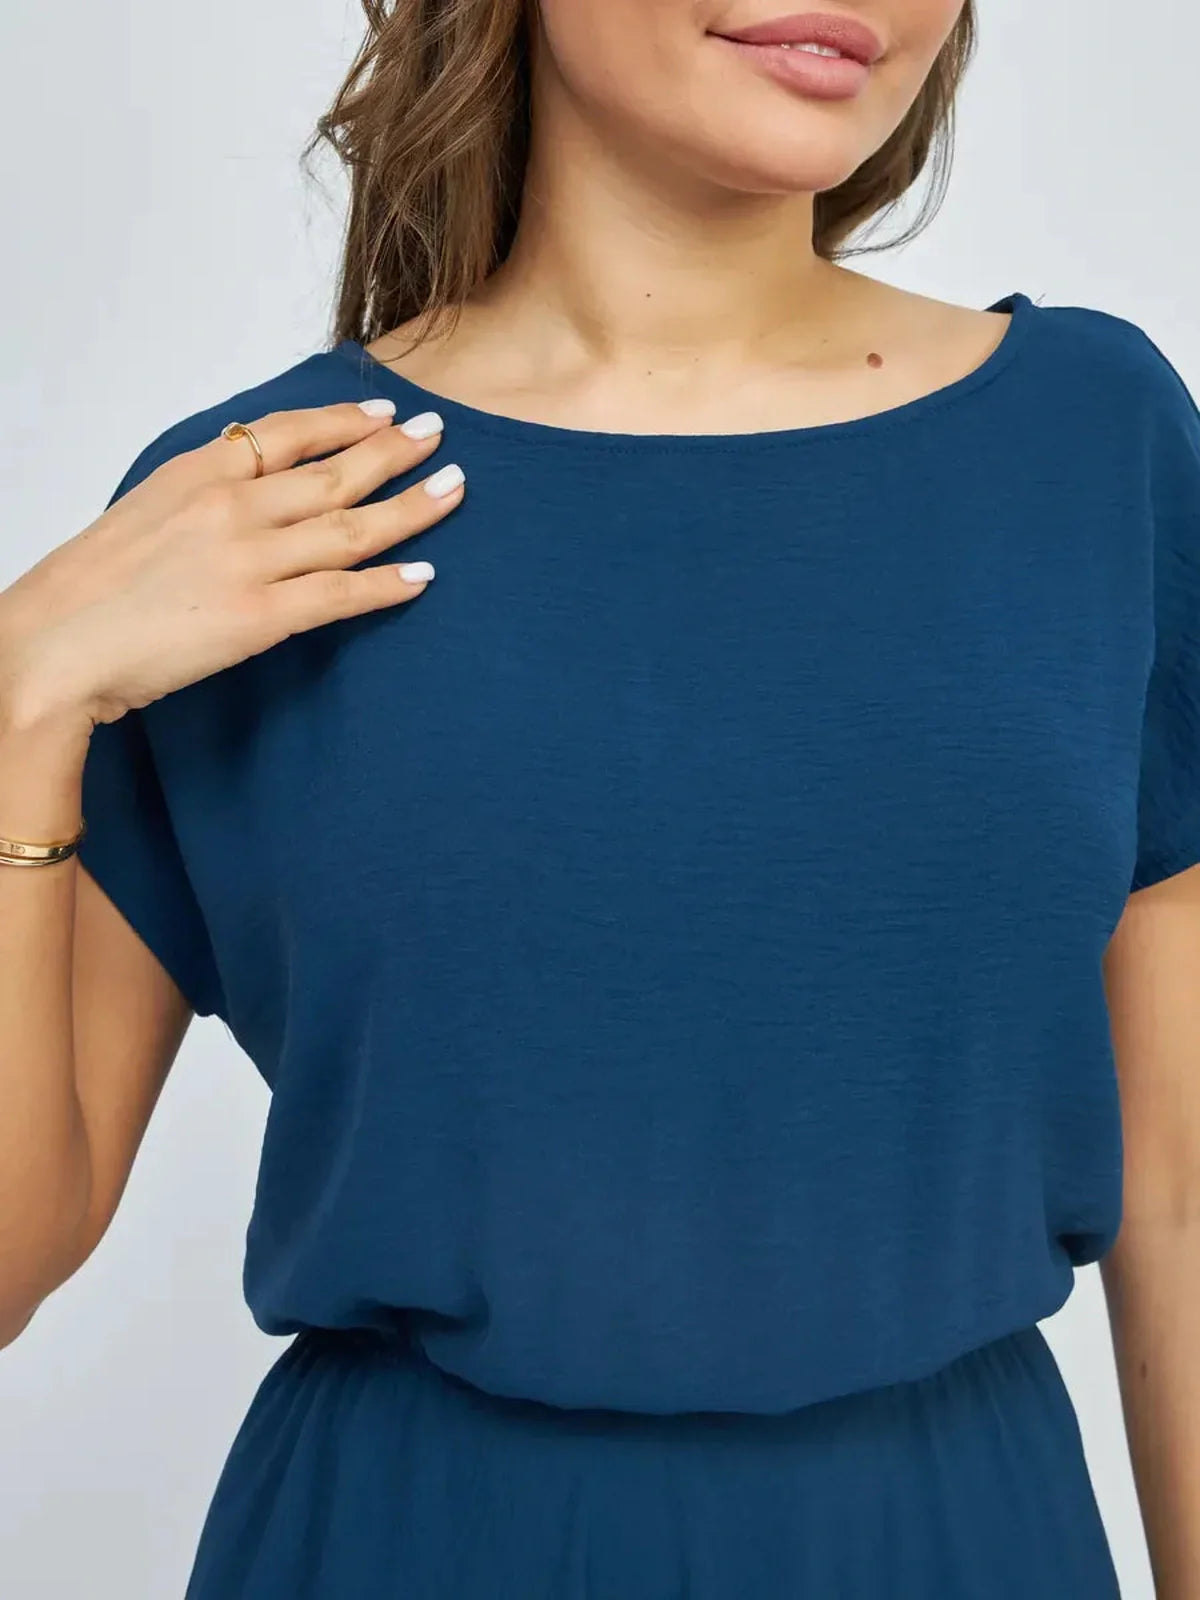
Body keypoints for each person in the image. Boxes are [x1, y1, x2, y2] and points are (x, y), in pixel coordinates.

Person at [2, 0, 1198, 1593]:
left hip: (952, 1539)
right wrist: (19, 699)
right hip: (400, 1546)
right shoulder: (265, 504)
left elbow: (1183, 1196)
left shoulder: (1094, 443)